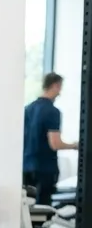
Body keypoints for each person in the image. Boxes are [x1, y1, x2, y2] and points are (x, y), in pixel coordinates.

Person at [23, 73, 76, 206]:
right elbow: (55, 143)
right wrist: (76, 146)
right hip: (44, 169)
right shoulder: (52, 111)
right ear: (56, 85)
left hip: (26, 167)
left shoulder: (28, 109)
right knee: (43, 210)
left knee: (28, 210)